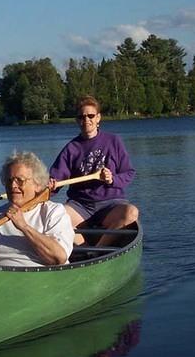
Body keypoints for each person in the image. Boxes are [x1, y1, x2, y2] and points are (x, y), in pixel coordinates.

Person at [0, 151, 74, 266]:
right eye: (9, 180)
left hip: (41, 279)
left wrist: (24, 226)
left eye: (20, 180)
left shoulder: (54, 212)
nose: (13, 186)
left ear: (37, 185)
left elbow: (59, 258)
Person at [49, 95, 139, 246]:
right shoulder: (71, 148)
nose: (86, 120)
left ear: (98, 118)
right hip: (81, 206)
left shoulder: (113, 141)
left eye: (90, 115)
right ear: (77, 120)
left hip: (111, 204)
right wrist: (49, 188)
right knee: (54, 217)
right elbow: (56, 179)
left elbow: (129, 173)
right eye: (82, 116)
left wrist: (112, 179)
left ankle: (98, 250)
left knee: (132, 213)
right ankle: (83, 248)